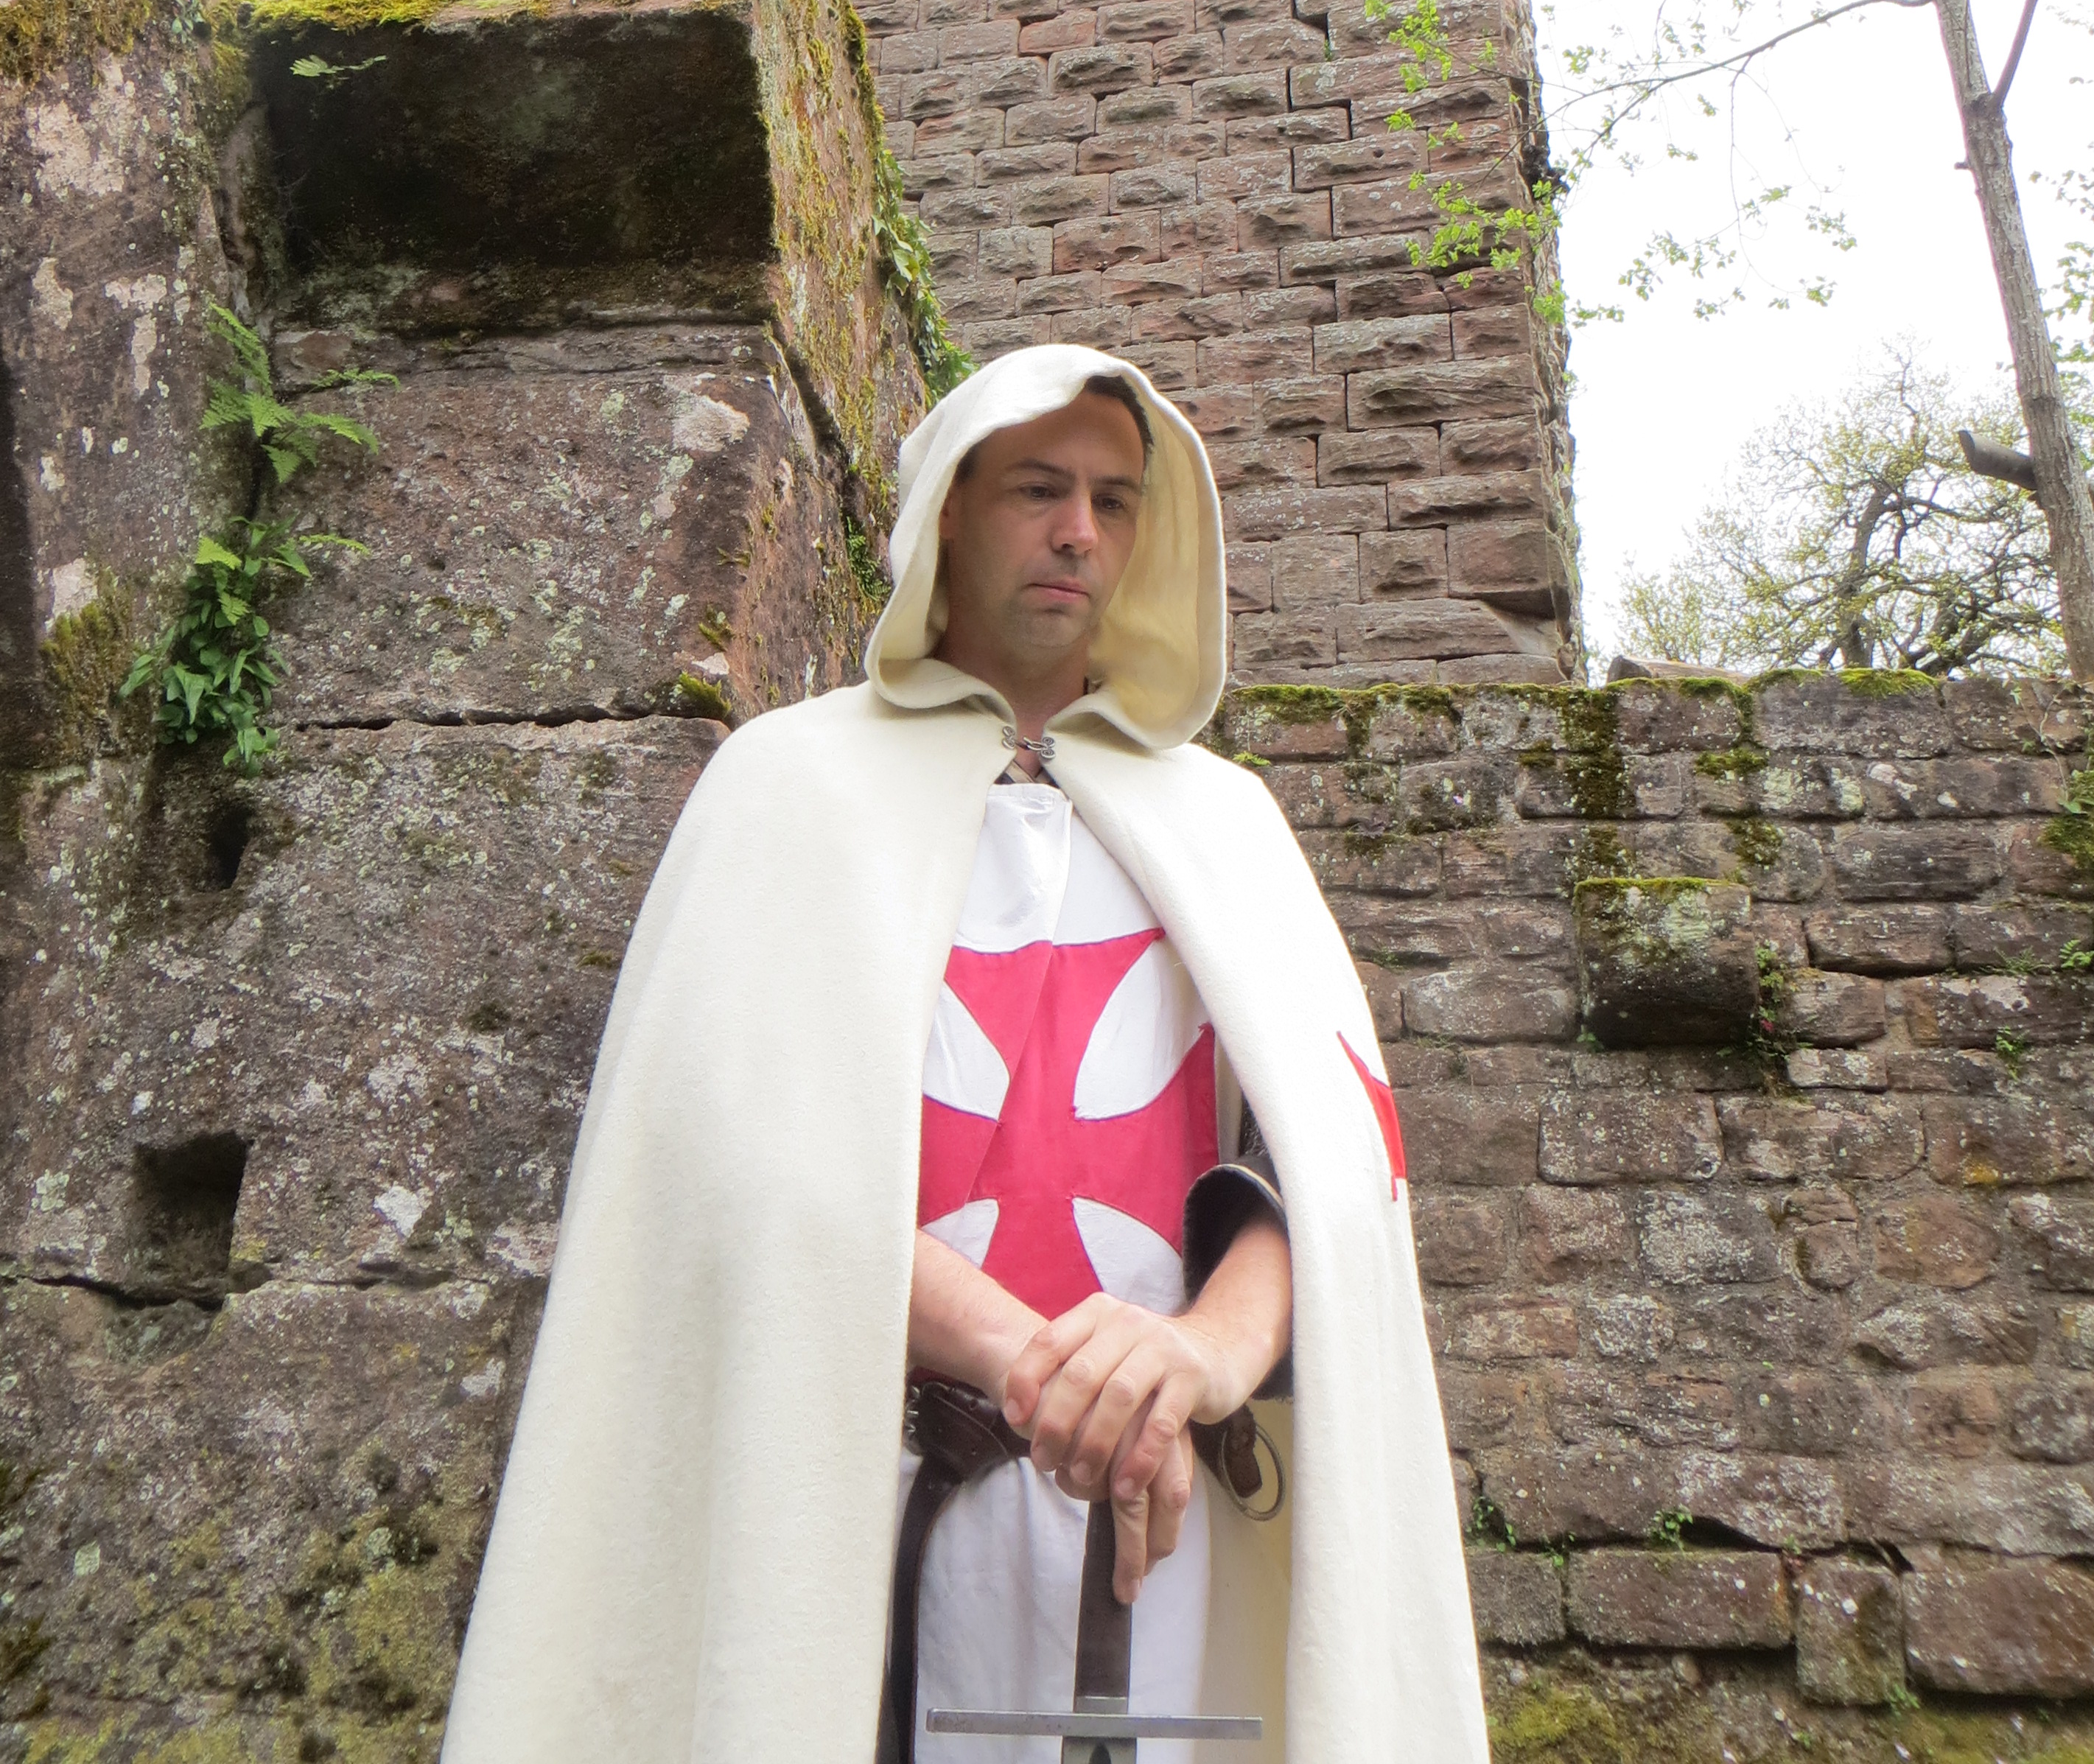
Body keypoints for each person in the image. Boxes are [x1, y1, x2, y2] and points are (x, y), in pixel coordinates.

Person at [441, 344, 1488, 1764]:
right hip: (855, 1504)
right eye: (1038, 490)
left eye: (1114, 501)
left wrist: (1196, 1355)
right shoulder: (789, 788)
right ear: (948, 510)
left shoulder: (1229, 826)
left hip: (1171, 1522)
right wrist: (1034, 1366)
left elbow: (1333, 1178)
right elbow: (727, 1160)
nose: (1080, 533)